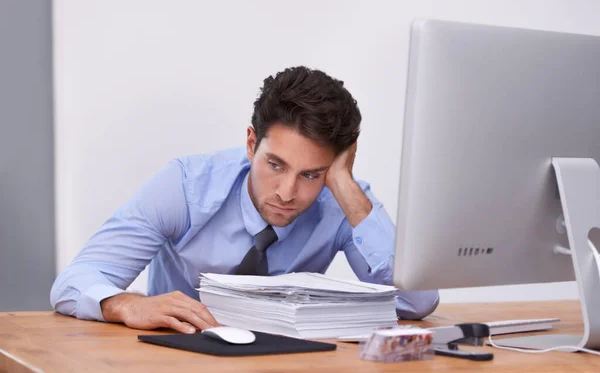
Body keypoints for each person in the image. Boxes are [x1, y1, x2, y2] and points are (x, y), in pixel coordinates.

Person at [50, 66, 439, 334]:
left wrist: (345, 186)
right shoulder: (186, 187)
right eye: (275, 164)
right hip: (175, 364)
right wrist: (126, 304)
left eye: (310, 174)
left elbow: (417, 301)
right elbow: (73, 283)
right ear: (252, 143)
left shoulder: (342, 200)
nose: (287, 193)